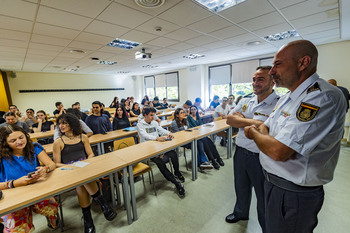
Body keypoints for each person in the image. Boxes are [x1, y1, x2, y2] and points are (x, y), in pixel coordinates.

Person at [244, 40, 346, 233]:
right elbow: (265, 127)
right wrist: (266, 136)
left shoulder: (319, 97)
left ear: (303, 63)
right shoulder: (288, 98)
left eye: (278, 64)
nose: (272, 71)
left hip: (292, 193)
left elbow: (278, 151)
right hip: (272, 182)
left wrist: (254, 132)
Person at [225, 66, 279, 232]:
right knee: (240, 186)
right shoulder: (246, 100)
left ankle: (266, 226)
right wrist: (255, 122)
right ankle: (241, 212)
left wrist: (243, 119)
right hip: (240, 152)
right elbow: (229, 120)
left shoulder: (279, 104)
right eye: (254, 79)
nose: (255, 83)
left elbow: (271, 131)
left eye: (261, 79)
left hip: (261, 157)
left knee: (263, 195)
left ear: (273, 82)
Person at [53, 114, 116, 233]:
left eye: (64, 123)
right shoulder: (58, 142)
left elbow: (91, 154)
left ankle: (87, 218)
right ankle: (102, 204)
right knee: (81, 181)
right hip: (69, 170)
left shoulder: (83, 137)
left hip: (85, 167)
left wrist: (85, 162)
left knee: (81, 183)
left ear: (72, 124)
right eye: (60, 124)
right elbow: (56, 164)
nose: (61, 126)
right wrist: (72, 167)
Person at [0, 125, 59, 232]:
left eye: (21, 137)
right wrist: (14, 183)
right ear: (5, 143)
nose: (19, 142)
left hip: (36, 188)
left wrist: (45, 169)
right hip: (12, 194)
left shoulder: (33, 147)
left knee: (52, 207)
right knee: (16, 228)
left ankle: (50, 217)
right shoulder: (1, 155)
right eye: (13, 140)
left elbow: (51, 164)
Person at [137, 107, 185, 197]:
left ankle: (177, 172)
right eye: (151, 115)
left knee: (173, 153)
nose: (153, 117)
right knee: (160, 162)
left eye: (154, 115)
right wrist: (156, 138)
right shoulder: (140, 124)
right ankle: (175, 182)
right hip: (148, 149)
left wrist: (168, 133)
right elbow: (145, 135)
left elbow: (161, 130)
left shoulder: (155, 123)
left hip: (158, 146)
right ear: (145, 115)